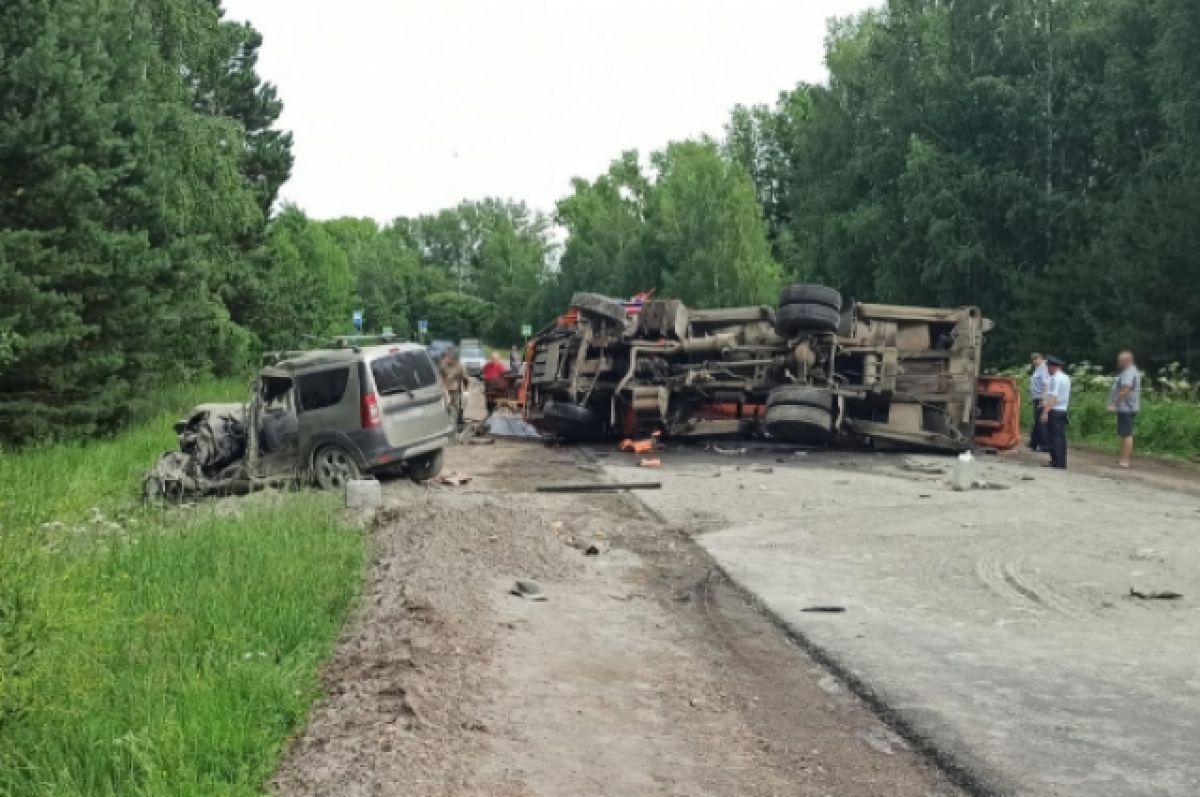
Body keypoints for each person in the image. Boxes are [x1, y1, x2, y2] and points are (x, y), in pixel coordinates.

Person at [1107, 351, 1142, 469]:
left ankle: (1125, 460)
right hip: (1127, 407)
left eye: (1120, 361)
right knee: (1124, 433)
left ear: (1127, 361)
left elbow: (1125, 390)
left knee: (1127, 433)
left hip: (1126, 407)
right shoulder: (1129, 371)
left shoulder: (1129, 372)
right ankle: (1123, 458)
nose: (1118, 363)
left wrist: (1114, 404)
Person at [1041, 355, 1071, 469]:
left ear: (1052, 367)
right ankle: (1059, 461)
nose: (1048, 369)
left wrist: (1045, 412)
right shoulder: (1066, 377)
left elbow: (1054, 397)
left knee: (1055, 437)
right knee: (1060, 437)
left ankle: (1057, 462)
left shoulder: (1056, 378)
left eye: (1048, 367)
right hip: (1062, 410)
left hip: (1055, 410)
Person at [439, 349, 469, 427]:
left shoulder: (460, 365)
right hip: (445, 387)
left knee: (457, 404)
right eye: (448, 358)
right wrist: (443, 386)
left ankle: (459, 419)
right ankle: (448, 419)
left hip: (455, 387)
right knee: (446, 404)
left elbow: (465, 377)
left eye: (451, 359)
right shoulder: (443, 365)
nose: (449, 360)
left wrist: (466, 388)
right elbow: (440, 377)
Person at [1029, 352, 1049, 452]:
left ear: (1041, 358)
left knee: (1041, 422)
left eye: (1035, 359)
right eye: (1032, 359)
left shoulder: (1043, 368)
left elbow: (1045, 384)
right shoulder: (1038, 368)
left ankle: (1043, 444)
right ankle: (1034, 442)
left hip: (1041, 399)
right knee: (1037, 421)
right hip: (1036, 398)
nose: (1034, 361)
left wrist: (1043, 399)